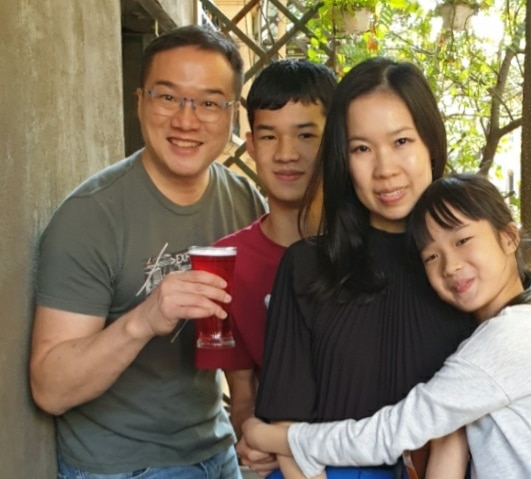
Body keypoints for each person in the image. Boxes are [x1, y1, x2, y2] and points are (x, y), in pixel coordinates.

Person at [242, 174, 531, 479]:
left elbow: (392, 432)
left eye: (462, 240)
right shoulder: (509, 331)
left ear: (509, 238)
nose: (451, 265)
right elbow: (446, 436)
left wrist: (272, 438)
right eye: (432, 256)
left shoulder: (510, 337)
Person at [30, 25, 266, 478]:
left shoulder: (243, 201)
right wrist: (144, 318)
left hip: (215, 447)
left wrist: (244, 420)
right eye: (168, 97)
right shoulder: (90, 217)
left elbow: (238, 333)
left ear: (232, 114)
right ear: (139, 101)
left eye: (209, 102)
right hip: (122, 464)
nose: (186, 120)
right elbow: (50, 388)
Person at [253, 57, 479, 479]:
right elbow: (285, 431)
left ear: (431, 142)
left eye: (401, 142)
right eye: (361, 148)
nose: (385, 169)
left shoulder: (468, 272)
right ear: (343, 158)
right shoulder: (305, 267)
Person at [194, 59, 337, 475]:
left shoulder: (370, 248)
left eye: (306, 135)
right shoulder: (221, 266)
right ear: (251, 145)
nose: (287, 154)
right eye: (270, 136)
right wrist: (250, 437)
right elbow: (242, 391)